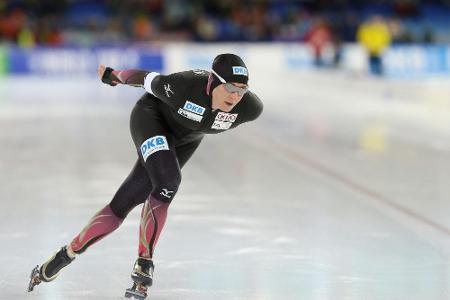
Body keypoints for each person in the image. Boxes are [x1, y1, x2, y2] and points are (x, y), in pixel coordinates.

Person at [28, 53, 263, 299]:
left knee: (123, 203)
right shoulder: (182, 86)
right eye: (229, 88)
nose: (235, 97)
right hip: (151, 119)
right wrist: (112, 76)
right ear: (212, 82)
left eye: (242, 90)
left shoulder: (249, 108)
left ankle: (64, 255)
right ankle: (144, 262)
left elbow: (238, 102)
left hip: (186, 141)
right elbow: (142, 78)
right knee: (168, 182)